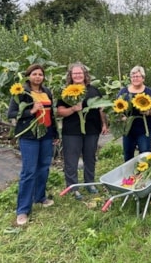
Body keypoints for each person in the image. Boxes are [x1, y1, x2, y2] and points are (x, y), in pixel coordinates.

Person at [7, 64, 59, 226]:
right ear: (28, 76)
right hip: (29, 136)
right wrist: (31, 111)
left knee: (43, 167)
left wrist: (55, 134)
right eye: (34, 74)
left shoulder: (47, 92)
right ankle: (22, 210)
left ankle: (40, 197)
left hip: (46, 135)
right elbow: (11, 114)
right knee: (28, 171)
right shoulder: (21, 93)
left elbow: (52, 115)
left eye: (40, 74)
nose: (38, 77)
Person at [57, 62, 109, 200]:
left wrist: (104, 123)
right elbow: (60, 111)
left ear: (85, 74)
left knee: (90, 157)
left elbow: (101, 108)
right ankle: (73, 187)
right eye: (75, 73)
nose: (78, 75)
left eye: (80, 73)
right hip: (72, 131)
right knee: (71, 160)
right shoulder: (66, 91)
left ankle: (90, 183)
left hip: (92, 130)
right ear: (70, 76)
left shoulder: (93, 90)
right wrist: (73, 109)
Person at [117, 66, 151, 162]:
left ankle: (143, 174)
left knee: (144, 153)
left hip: (144, 130)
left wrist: (149, 112)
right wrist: (121, 117)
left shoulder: (150, 93)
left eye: (137, 76)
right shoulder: (123, 92)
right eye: (133, 76)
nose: (135, 78)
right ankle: (129, 176)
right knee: (128, 154)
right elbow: (117, 109)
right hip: (128, 130)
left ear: (143, 78)